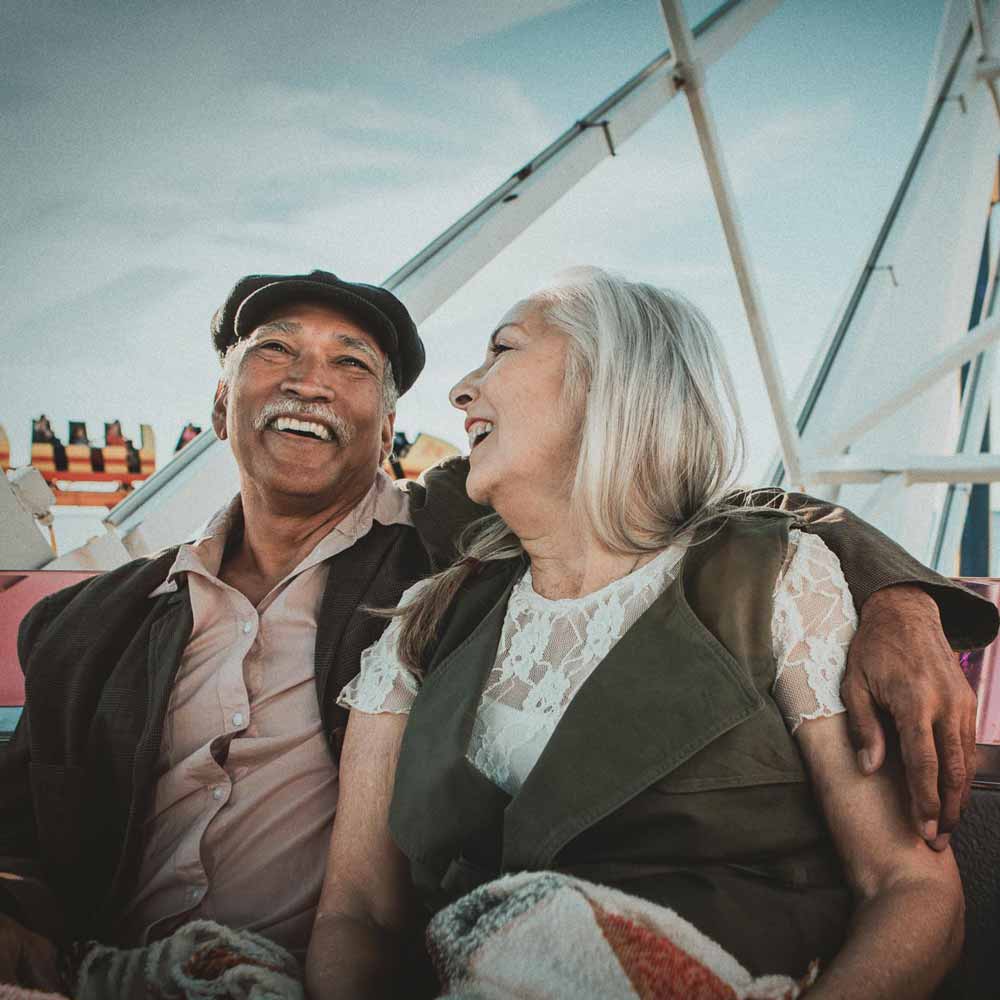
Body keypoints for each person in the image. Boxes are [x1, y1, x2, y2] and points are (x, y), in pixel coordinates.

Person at [0, 270, 991, 992]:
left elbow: (714, 510)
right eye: (273, 351)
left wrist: (901, 594)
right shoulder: (77, 622)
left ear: (389, 431)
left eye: (351, 363)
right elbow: (18, 833)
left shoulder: (433, 551)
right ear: (219, 399)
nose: (309, 380)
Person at [306, 269, 986, 999]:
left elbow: (910, 890)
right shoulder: (422, 621)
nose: (461, 389)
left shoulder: (775, 580)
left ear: (610, 380)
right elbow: (359, 912)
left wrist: (902, 597)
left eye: (502, 349)